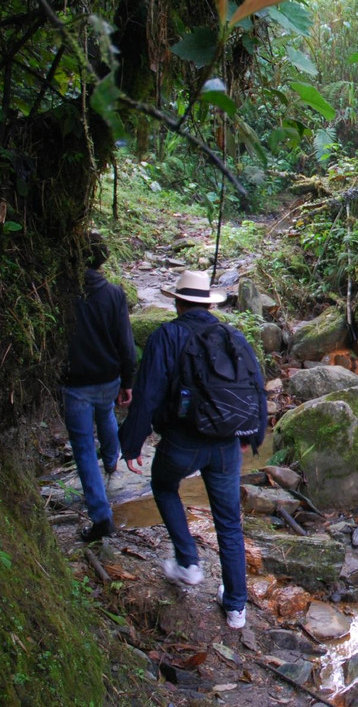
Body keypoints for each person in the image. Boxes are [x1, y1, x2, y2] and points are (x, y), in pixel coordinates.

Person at [119, 269, 266, 630]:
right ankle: (235, 608)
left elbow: (149, 393)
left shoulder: (167, 336)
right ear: (208, 304)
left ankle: (188, 561)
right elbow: (255, 387)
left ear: (177, 301)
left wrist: (132, 443)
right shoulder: (233, 336)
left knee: (165, 485)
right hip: (227, 446)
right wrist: (253, 435)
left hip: (183, 442)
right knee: (229, 524)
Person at [63, 232, 136, 542]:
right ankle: (111, 458)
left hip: (75, 382)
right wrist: (128, 381)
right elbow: (126, 344)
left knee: (82, 449)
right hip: (108, 377)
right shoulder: (114, 295)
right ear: (103, 260)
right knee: (106, 412)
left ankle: (101, 516)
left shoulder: (64, 293)